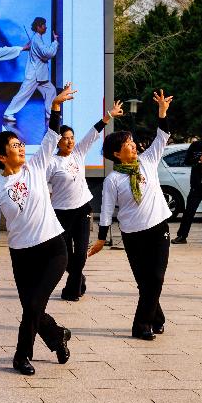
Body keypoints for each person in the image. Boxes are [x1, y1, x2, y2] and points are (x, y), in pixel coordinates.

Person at [0, 84, 78, 375]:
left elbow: (51, 136)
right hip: (22, 255)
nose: (21, 147)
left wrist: (56, 107)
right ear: (1, 157)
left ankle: (21, 356)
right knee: (32, 308)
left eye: (21, 144)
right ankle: (57, 335)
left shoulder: (36, 168)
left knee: (34, 305)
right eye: (15, 146)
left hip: (53, 249)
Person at [88, 90, 174, 341]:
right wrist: (101, 238)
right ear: (117, 153)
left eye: (132, 142)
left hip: (158, 228)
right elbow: (106, 211)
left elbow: (163, 136)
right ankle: (157, 317)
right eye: (127, 143)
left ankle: (141, 325)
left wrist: (162, 112)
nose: (133, 145)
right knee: (144, 281)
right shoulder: (113, 179)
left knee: (156, 277)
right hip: (133, 235)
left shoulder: (148, 161)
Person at [48, 100, 122, 301]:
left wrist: (109, 115)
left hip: (82, 211)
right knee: (65, 257)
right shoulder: (51, 162)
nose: (70, 142)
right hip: (61, 214)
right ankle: (78, 278)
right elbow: (42, 186)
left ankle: (72, 291)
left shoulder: (78, 153)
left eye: (72, 138)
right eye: (65, 139)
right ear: (57, 141)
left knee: (81, 254)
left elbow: (93, 133)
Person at [3, 18, 59, 126]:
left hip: (40, 75)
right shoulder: (37, 39)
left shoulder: (37, 39)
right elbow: (48, 53)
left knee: (50, 91)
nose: (46, 27)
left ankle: (50, 114)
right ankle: (8, 113)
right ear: (38, 27)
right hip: (34, 75)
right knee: (23, 94)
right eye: (44, 25)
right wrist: (55, 42)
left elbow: (43, 54)